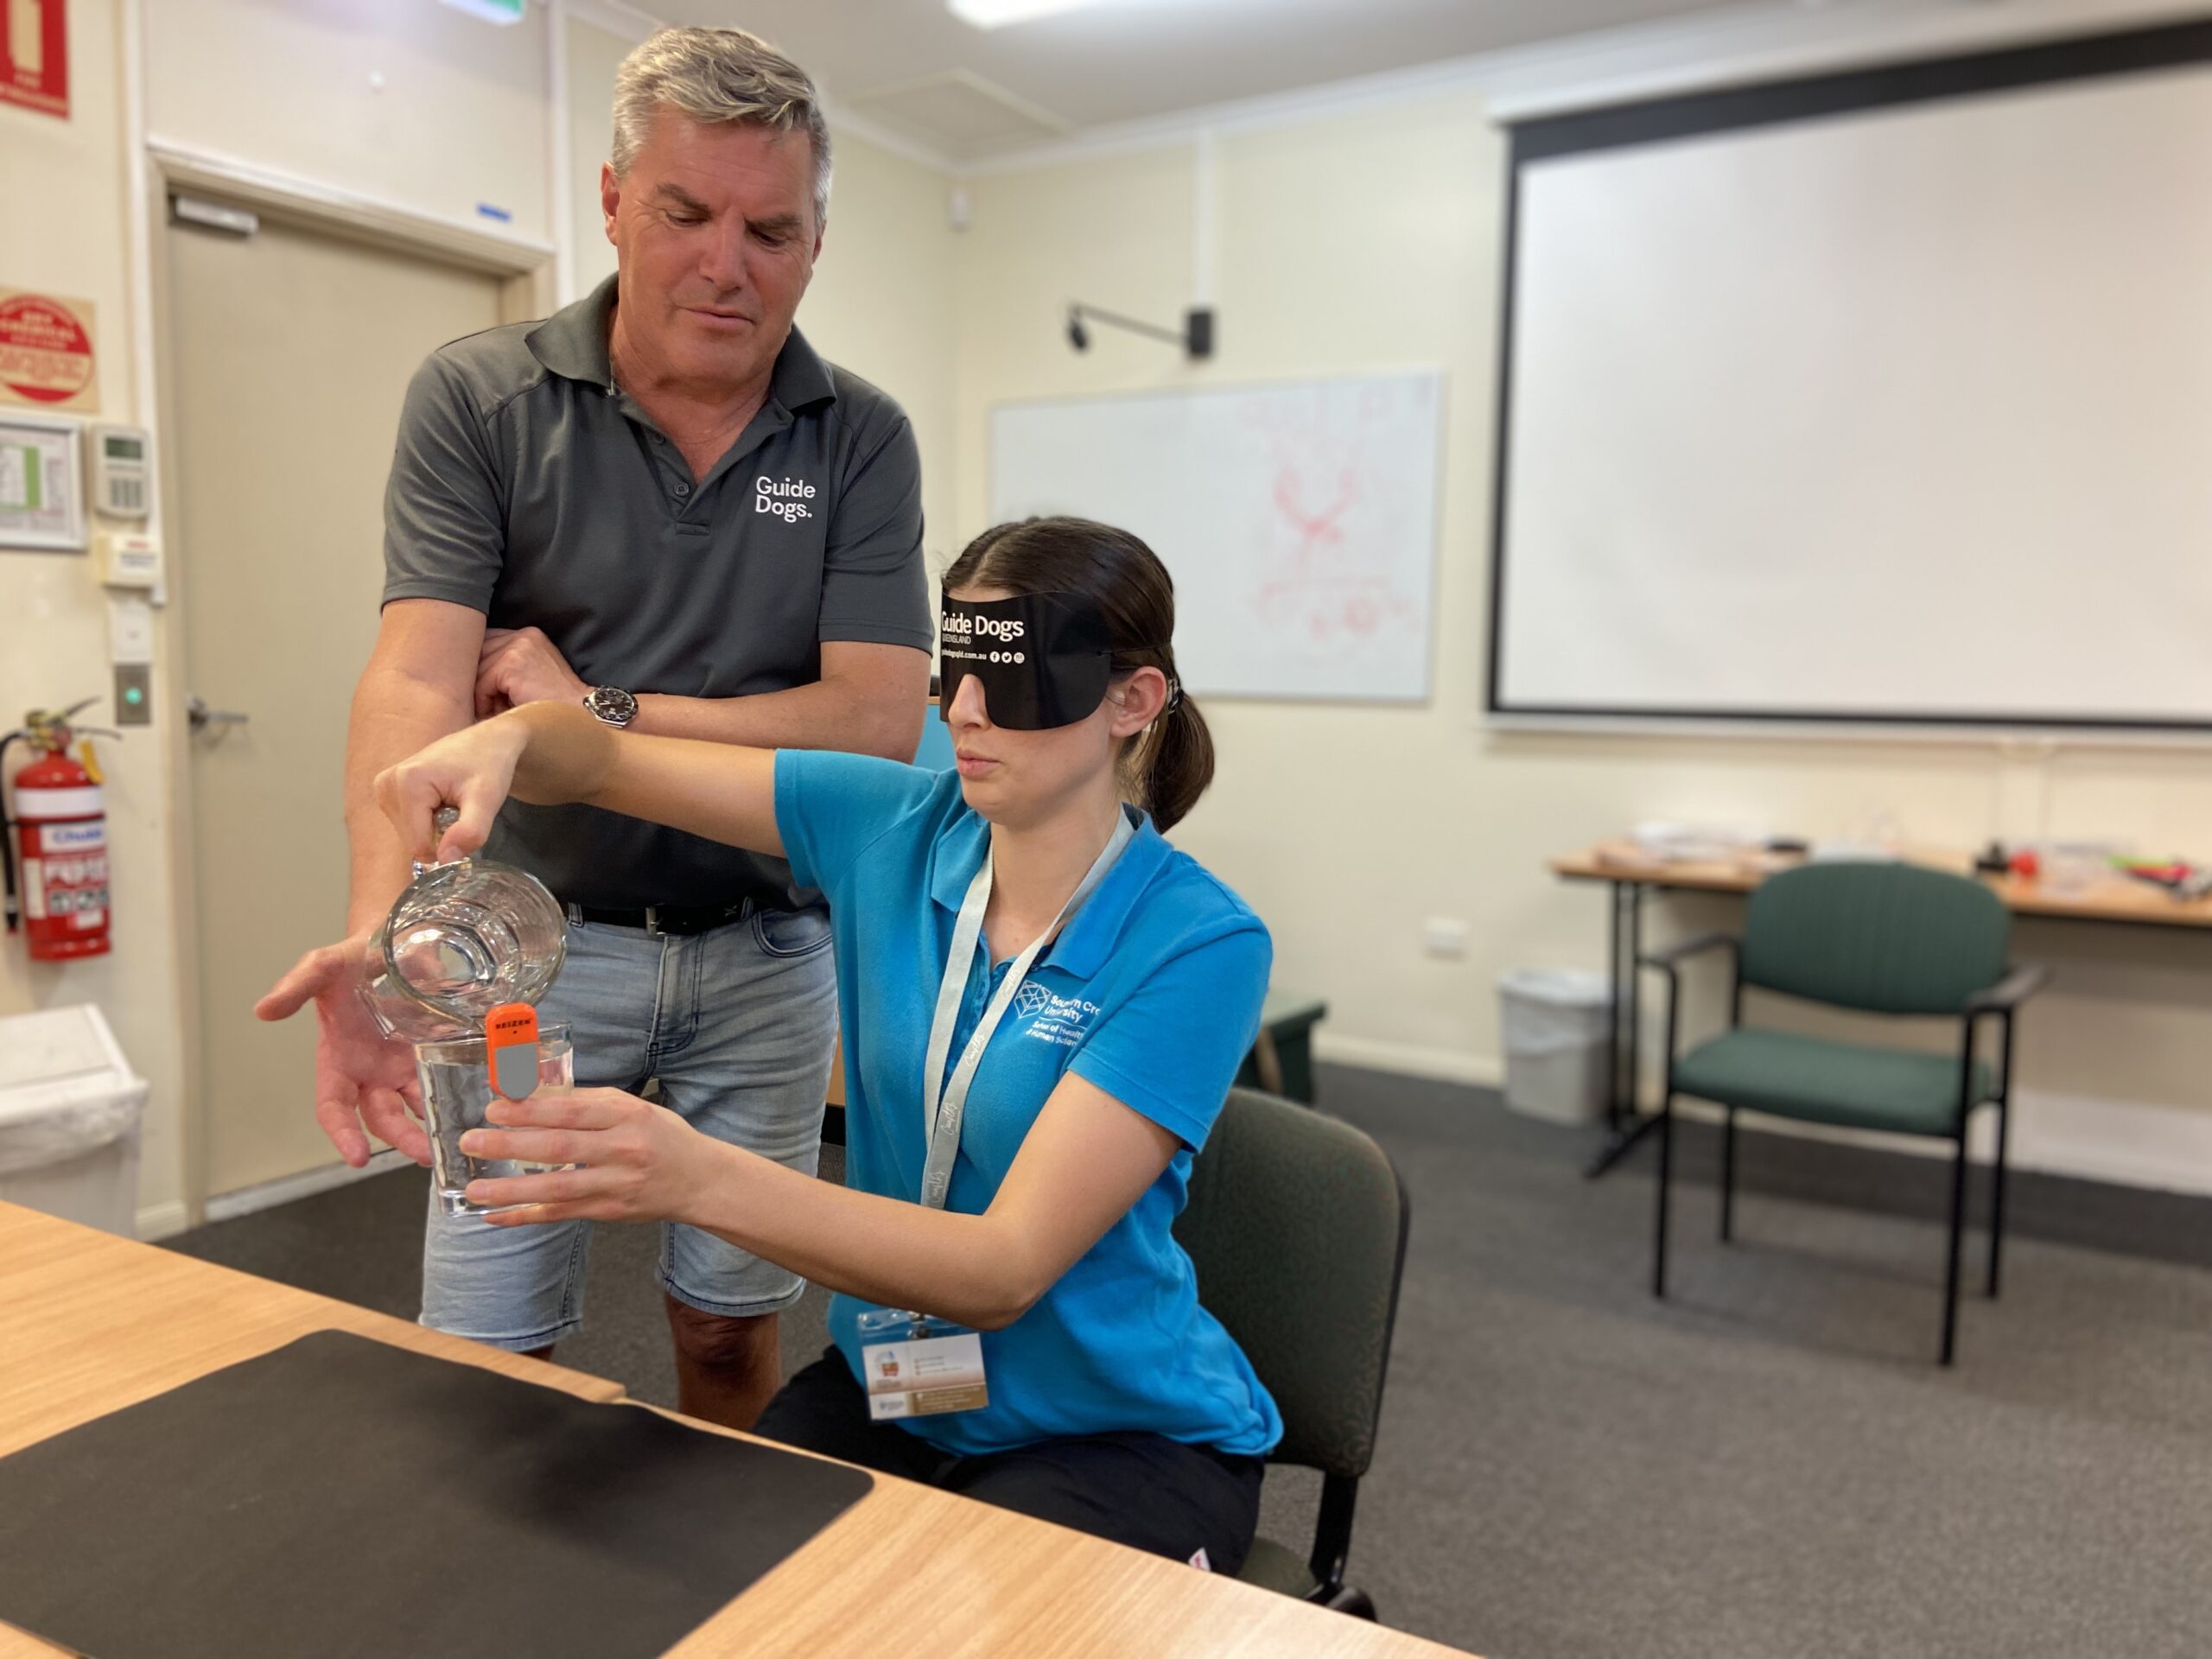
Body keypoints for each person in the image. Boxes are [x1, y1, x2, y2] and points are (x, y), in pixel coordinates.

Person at [368, 517, 1282, 1573]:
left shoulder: (1200, 943)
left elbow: (1001, 1272)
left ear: (1133, 701)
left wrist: (692, 1175)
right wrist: (518, 739)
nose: (966, 713)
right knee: (723, 1590)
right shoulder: (892, 824)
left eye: (1015, 677)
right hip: (903, 1381)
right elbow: (604, 760)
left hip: (1109, 1428)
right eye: (957, 671)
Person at [256, 27, 933, 1430]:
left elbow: (874, 724)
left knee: (730, 1327)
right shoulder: (482, 399)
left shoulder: (859, 436)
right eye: (685, 213)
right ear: (616, 200)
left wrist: (592, 713)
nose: (724, 263)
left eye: (771, 229)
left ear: (818, 244)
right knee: (485, 1340)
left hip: (766, 954)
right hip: (526, 956)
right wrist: (387, 939)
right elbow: (415, 682)